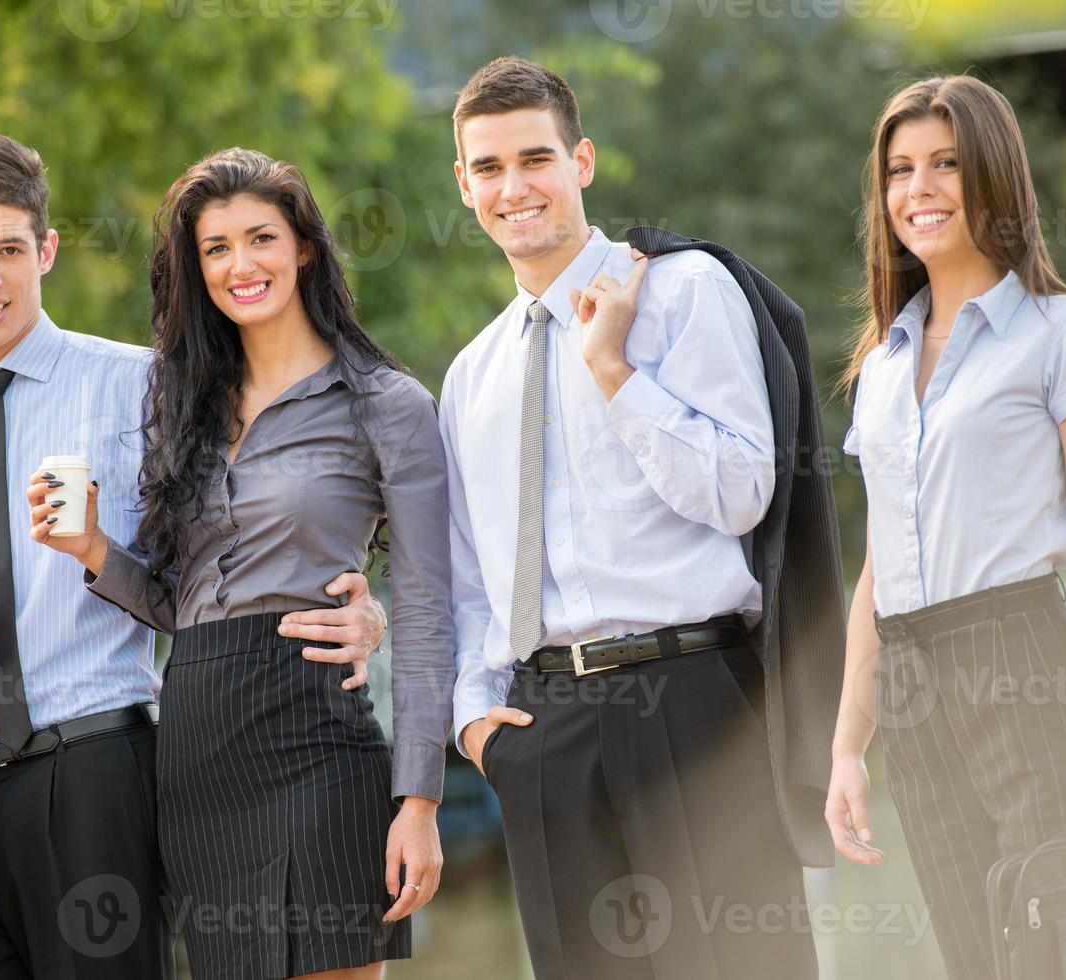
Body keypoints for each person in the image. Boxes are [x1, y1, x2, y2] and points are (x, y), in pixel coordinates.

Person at [0, 133, 388, 979]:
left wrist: (361, 608)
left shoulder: (149, 388)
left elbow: (233, 561)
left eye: (7, 251)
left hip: (97, 773)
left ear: (46, 251)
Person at [441, 57, 827, 979]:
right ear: (463, 186)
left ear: (582, 160)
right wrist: (474, 724)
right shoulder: (470, 376)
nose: (513, 187)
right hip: (543, 734)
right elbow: (466, 579)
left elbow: (744, 492)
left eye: (534, 158)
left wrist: (613, 369)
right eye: (487, 168)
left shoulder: (687, 291)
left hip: (692, 700)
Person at [29, 146, 455, 980]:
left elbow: (430, 607)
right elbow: (180, 603)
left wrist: (420, 801)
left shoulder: (386, 405)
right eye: (215, 248)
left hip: (318, 745)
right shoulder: (179, 407)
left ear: (303, 246)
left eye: (259, 237)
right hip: (195, 749)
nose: (240, 264)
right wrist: (92, 552)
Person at [825, 75, 1066, 980]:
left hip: (1021, 657)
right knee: (975, 953)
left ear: (996, 179)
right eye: (900, 170)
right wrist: (847, 745)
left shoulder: (1065, 334)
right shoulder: (882, 364)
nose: (919, 188)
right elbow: (877, 567)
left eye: (946, 164)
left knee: (1065, 945)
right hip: (910, 681)